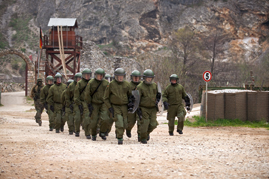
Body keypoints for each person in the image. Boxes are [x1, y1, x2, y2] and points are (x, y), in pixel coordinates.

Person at [103, 68, 132, 145]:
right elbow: (106, 98)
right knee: (119, 122)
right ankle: (120, 137)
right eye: (119, 76)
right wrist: (110, 107)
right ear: (116, 76)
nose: (120, 78)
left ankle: (118, 132)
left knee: (125, 123)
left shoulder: (127, 84)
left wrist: (131, 103)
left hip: (124, 107)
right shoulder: (111, 84)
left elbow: (130, 96)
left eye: (122, 76)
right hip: (115, 106)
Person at [85, 68, 110, 141]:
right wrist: (89, 104)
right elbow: (87, 94)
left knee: (106, 118)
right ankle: (93, 134)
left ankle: (102, 132)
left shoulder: (106, 83)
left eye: (101, 75)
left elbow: (109, 93)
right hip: (94, 103)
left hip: (103, 103)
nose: (100, 77)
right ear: (95, 75)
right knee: (94, 120)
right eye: (99, 75)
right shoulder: (91, 83)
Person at [136, 69, 160, 144]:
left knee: (153, 124)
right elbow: (137, 98)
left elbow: (157, 95)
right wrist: (138, 109)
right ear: (144, 78)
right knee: (145, 123)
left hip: (153, 108)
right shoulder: (140, 87)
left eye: (151, 78)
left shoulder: (154, 85)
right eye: (148, 78)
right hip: (144, 108)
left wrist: (158, 99)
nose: (149, 79)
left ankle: (145, 134)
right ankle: (143, 138)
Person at [74, 68, 92, 138]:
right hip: (80, 102)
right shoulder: (79, 83)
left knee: (87, 117)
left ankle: (87, 133)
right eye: (86, 75)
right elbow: (76, 95)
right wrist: (79, 104)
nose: (87, 76)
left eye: (88, 75)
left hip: (88, 102)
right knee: (77, 117)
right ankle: (77, 130)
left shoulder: (91, 82)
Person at [126, 70, 142, 139]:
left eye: (137, 77)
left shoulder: (142, 85)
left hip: (140, 105)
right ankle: (128, 129)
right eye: (134, 77)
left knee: (140, 121)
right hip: (132, 105)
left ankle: (140, 135)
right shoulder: (128, 85)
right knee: (131, 122)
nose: (136, 79)